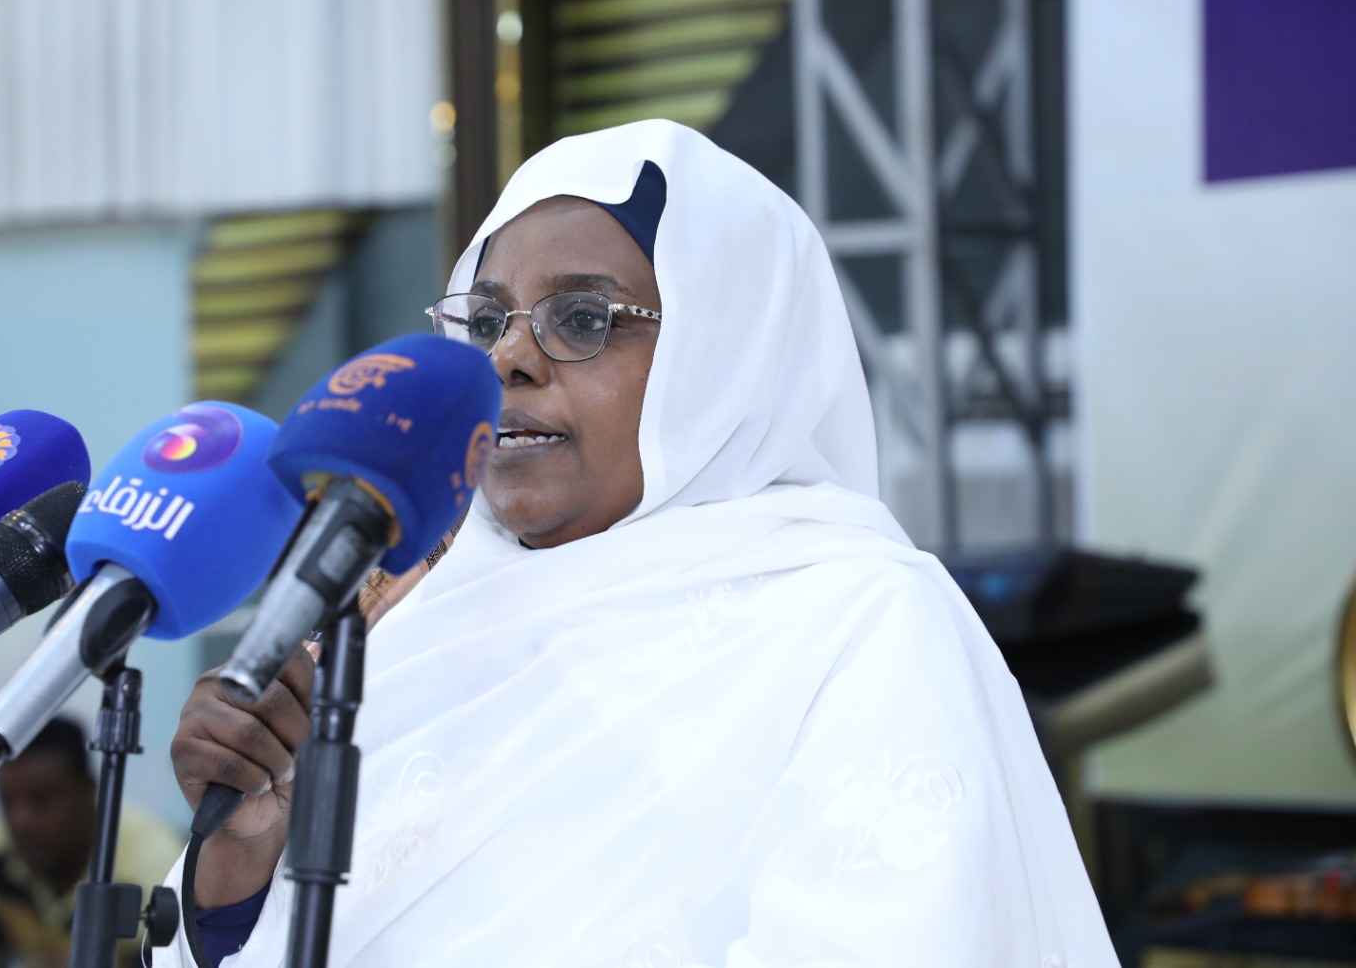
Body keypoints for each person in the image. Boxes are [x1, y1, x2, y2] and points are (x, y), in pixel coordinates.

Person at [158, 119, 1120, 966]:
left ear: (726, 353)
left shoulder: (860, 623)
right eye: (486, 321)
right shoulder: (408, 625)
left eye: (582, 318)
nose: (509, 358)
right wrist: (243, 856)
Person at [0, 718, 185, 968]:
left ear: (88, 789)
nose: (22, 821)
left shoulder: (155, 862)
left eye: (42, 798)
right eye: (7, 801)